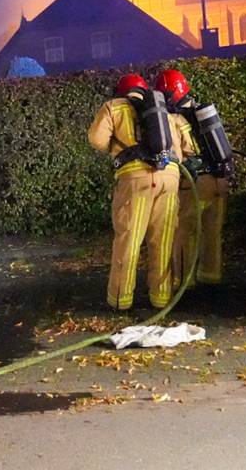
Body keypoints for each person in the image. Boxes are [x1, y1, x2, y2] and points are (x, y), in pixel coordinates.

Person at [87, 73, 195, 310]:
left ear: (121, 91)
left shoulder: (113, 106)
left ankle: (121, 300)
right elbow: (189, 149)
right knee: (163, 240)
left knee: (129, 239)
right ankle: (161, 298)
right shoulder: (166, 112)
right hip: (170, 178)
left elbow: (96, 140)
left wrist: (119, 147)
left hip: (135, 180)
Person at [154, 69, 231, 289]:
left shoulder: (173, 119)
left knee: (183, 232)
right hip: (219, 179)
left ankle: (182, 281)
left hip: (195, 184)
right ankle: (211, 276)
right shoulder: (204, 112)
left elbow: (176, 157)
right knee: (212, 231)